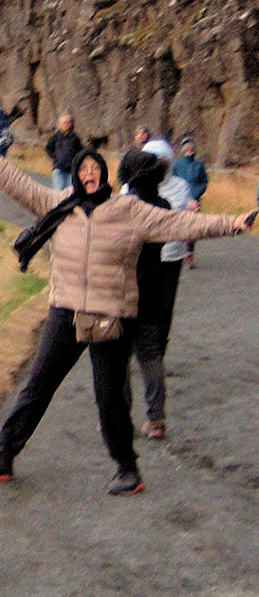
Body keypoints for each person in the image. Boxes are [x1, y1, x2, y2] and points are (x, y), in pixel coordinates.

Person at [0, 117, 252, 497]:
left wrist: (233, 222)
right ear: (76, 175)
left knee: (110, 398)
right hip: (65, 312)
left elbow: (180, 224)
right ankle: (3, 457)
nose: (90, 175)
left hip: (111, 315)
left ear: (106, 175)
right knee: (36, 387)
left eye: (96, 170)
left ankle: (128, 470)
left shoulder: (128, 211)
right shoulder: (59, 206)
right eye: (84, 170)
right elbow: (16, 182)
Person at [131, 139, 194, 439]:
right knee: (146, 350)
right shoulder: (158, 203)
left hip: (154, 270)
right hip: (148, 275)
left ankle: (142, 417)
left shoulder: (133, 200)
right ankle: (151, 418)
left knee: (132, 349)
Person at [117, 148, 173, 442]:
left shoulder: (124, 206)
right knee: (150, 357)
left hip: (124, 289)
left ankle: (119, 418)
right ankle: (156, 419)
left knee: (120, 358)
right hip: (153, 288)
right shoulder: (163, 205)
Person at [172, 136, 208, 268]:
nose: (188, 151)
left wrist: (195, 195)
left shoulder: (199, 165)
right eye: (186, 148)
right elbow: (173, 181)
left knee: (194, 230)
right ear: (182, 150)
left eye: (190, 148)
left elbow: (204, 182)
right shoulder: (177, 164)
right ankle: (180, 252)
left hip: (195, 200)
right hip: (180, 201)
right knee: (180, 228)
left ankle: (189, 253)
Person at [45, 112, 83, 190]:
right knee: (59, 192)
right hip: (59, 169)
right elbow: (48, 148)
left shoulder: (75, 138)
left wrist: (77, 163)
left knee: (71, 193)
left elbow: (80, 152)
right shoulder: (55, 137)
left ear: (71, 124)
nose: (66, 124)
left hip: (71, 170)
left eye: (68, 122)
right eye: (64, 122)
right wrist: (55, 158)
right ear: (60, 124)